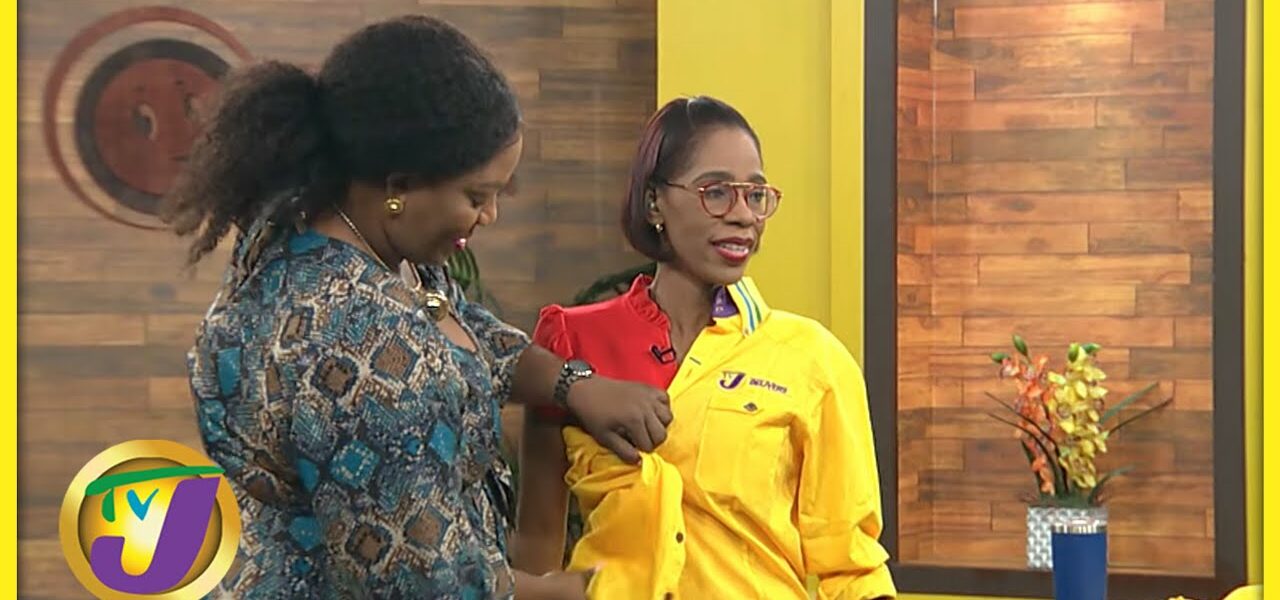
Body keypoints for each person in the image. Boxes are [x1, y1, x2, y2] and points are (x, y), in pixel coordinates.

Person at [162, 16, 671, 599]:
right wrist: (585, 589)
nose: (489, 216)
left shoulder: (330, 241)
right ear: (399, 186)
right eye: (476, 196)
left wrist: (573, 383)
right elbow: (420, 581)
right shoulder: (360, 341)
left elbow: (457, 328)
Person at [513, 96, 897, 599]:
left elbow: (851, 564)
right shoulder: (571, 342)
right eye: (716, 192)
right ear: (654, 202)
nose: (743, 216)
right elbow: (537, 542)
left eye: (755, 195)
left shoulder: (813, 358)